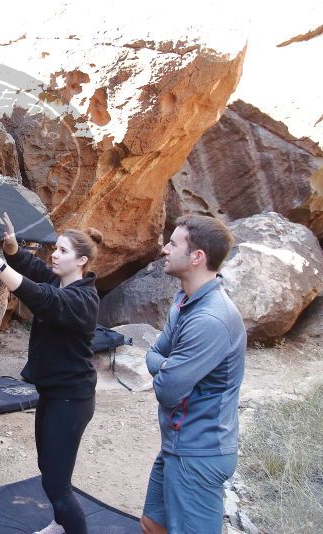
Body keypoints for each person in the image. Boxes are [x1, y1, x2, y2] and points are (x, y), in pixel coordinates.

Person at [0, 215, 103, 534]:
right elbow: (35, 271)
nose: (54, 255)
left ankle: (70, 527)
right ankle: (61, 526)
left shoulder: (82, 299)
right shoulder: (63, 280)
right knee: (48, 469)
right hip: (53, 394)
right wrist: (13, 251)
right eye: (55, 248)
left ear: (81, 261)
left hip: (72, 400)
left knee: (59, 488)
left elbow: (41, 297)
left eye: (63, 251)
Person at [140, 215, 246, 534]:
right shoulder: (184, 301)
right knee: (152, 524)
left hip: (199, 453)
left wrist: (168, 369)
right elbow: (154, 354)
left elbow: (168, 390)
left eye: (173, 243)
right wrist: (169, 366)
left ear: (197, 257)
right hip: (179, 443)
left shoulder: (210, 319)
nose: (164, 249)